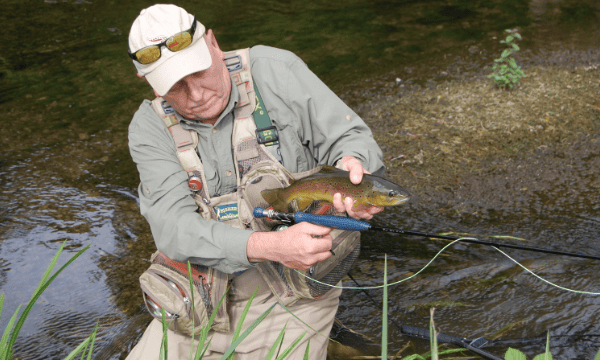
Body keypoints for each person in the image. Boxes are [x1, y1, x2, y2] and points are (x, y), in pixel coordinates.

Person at [125, 4, 385, 359]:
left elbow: (349, 137)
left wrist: (354, 163)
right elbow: (174, 230)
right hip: (197, 307)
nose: (196, 95)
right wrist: (272, 246)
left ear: (213, 43)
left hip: (295, 299)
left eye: (198, 72)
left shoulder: (275, 70)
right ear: (148, 82)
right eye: (175, 86)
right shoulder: (148, 127)